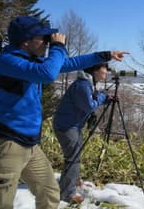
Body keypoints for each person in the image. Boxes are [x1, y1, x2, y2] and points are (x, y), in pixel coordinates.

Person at [0, 15, 129, 209]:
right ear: (26, 41)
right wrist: (58, 47)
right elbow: (47, 74)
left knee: (50, 193)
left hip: (30, 146)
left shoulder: (30, 60)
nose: (47, 42)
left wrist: (105, 55)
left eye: (49, 39)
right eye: (43, 38)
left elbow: (68, 64)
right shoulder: (8, 61)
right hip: (7, 145)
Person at [53, 62, 111, 203]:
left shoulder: (87, 83)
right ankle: (67, 194)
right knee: (73, 159)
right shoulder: (83, 85)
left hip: (72, 125)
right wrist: (103, 97)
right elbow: (89, 106)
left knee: (75, 157)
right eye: (105, 68)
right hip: (67, 126)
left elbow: (89, 101)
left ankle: (73, 183)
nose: (107, 71)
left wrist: (103, 98)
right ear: (95, 70)